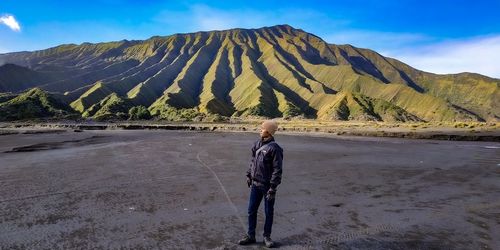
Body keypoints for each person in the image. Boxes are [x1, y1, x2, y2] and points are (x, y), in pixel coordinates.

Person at [238, 120, 283, 248]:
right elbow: (253, 162)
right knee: (251, 210)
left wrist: (273, 188)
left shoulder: (275, 149)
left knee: (269, 212)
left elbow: (277, 170)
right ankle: (251, 235)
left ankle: (266, 237)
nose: (260, 129)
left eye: (262, 128)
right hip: (255, 184)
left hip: (268, 186)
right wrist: (248, 175)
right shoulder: (257, 144)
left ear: (268, 131)